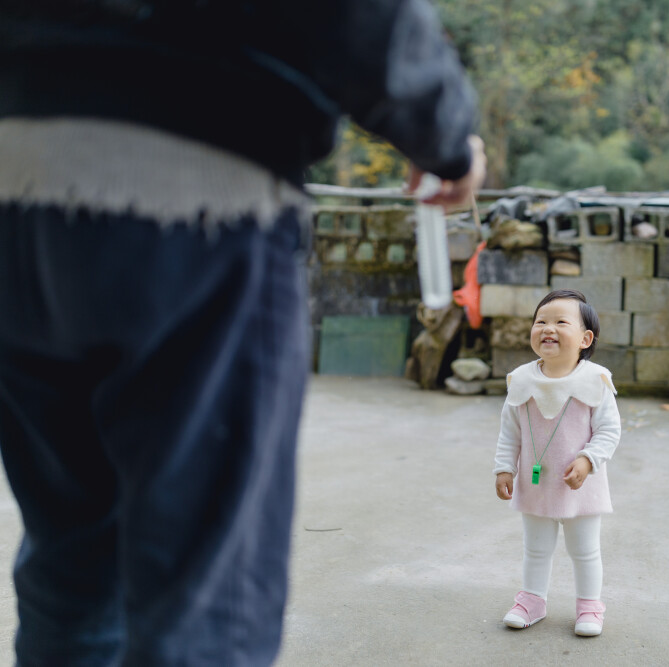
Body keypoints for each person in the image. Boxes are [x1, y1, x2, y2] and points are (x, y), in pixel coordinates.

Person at [0, 1, 484, 664]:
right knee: (205, 593)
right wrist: (447, 142)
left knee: (72, 561)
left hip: (17, 174)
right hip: (198, 190)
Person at [493, 289, 622, 637]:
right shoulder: (521, 381)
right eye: (540, 322)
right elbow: (511, 433)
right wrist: (504, 467)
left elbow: (609, 431)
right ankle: (532, 600)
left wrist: (588, 459)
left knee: (584, 550)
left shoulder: (595, 381)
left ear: (585, 338)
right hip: (536, 484)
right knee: (535, 548)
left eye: (560, 322)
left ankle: (590, 605)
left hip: (580, 484)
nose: (547, 328)